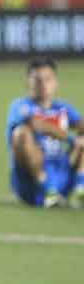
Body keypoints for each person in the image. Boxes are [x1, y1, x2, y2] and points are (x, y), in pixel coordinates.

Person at [7, 57, 84, 209]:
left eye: (47, 79)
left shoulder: (63, 108)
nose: (43, 85)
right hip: (31, 184)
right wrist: (71, 139)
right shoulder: (20, 106)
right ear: (28, 83)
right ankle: (49, 190)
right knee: (21, 133)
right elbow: (37, 124)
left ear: (56, 83)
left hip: (63, 174)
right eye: (37, 80)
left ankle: (81, 188)